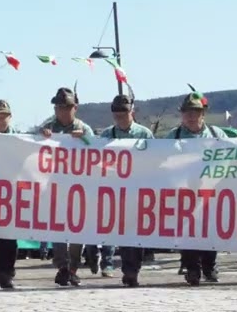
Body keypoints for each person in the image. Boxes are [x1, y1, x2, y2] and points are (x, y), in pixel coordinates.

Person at [165, 90, 226, 286]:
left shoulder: (218, 135)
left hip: (211, 191)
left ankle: (209, 266)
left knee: (210, 229)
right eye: (187, 112)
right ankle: (192, 268)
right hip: (183, 192)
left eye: (195, 112)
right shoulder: (171, 137)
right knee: (188, 231)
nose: (191, 116)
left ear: (203, 113)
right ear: (182, 114)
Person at [38, 87, 95, 287]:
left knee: (78, 231)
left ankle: (73, 267)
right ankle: (62, 267)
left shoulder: (84, 129)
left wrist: (85, 140)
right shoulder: (47, 128)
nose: (62, 110)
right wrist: (41, 137)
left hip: (79, 189)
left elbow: (99, 151)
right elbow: (29, 145)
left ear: (75, 108)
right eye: (59, 107)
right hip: (55, 188)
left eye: (67, 107)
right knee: (57, 231)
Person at [98, 95, 154, 287]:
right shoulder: (106, 135)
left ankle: (132, 270)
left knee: (135, 234)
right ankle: (113, 265)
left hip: (138, 191)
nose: (120, 117)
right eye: (117, 114)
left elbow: (156, 159)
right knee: (115, 231)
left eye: (124, 113)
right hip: (113, 192)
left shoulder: (145, 134)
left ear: (132, 112)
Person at [0, 99, 22, 289]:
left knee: (10, 234)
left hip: (13, 191)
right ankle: (1, 269)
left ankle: (7, 271)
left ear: (10, 117)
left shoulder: (20, 138)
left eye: (3, 116)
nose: (0, 120)